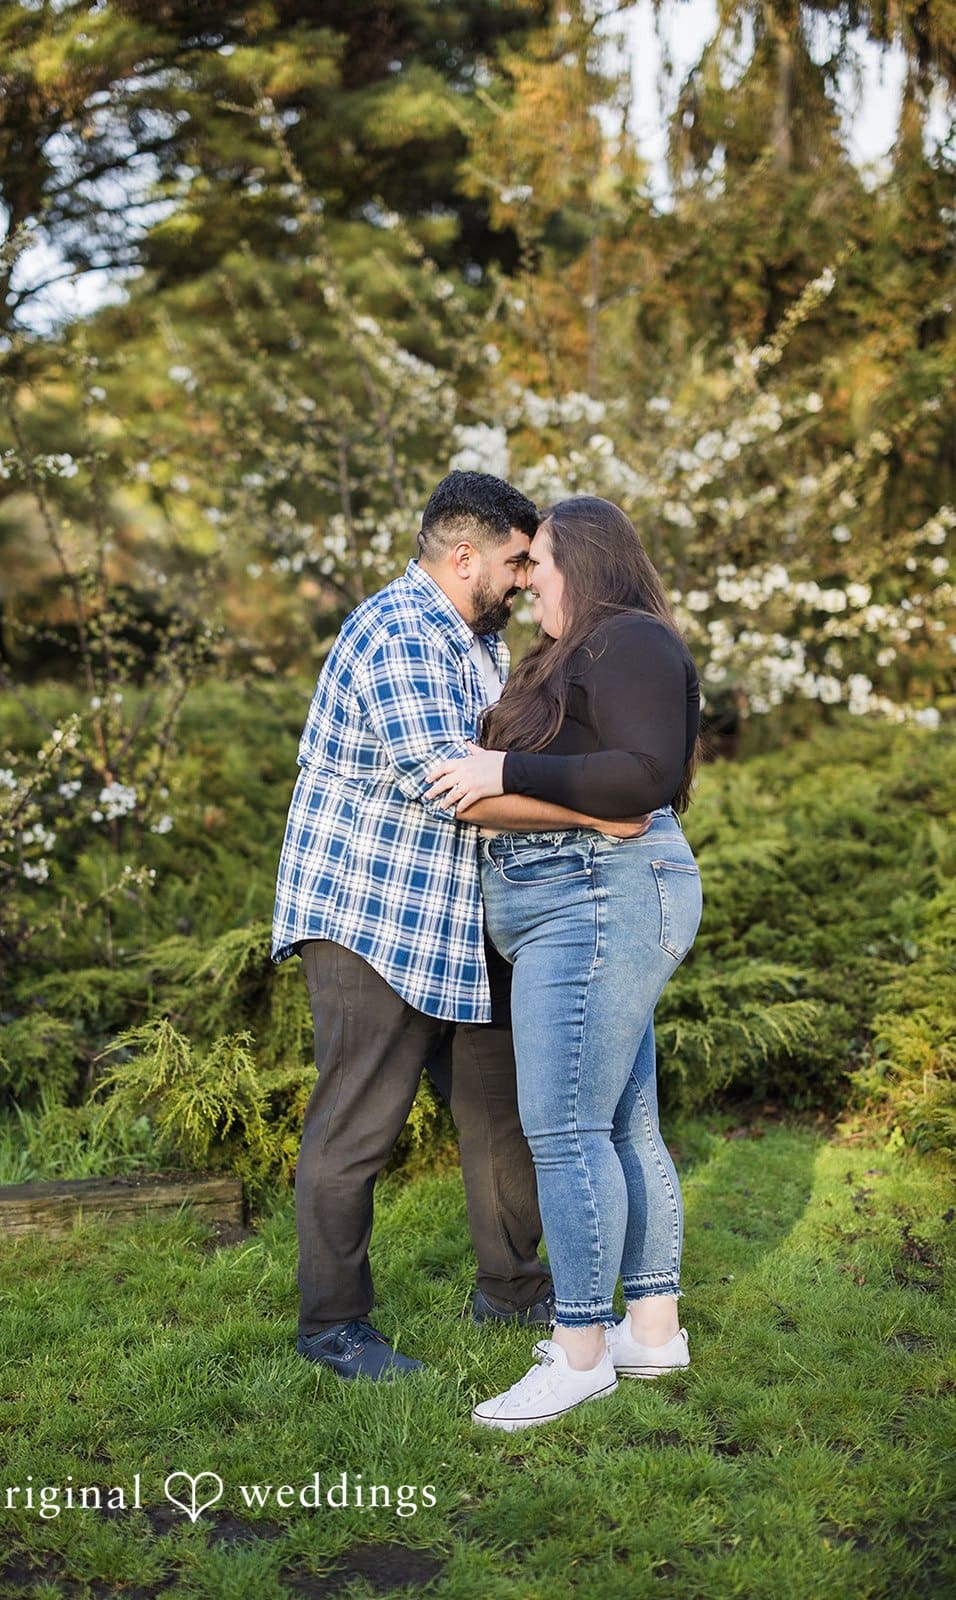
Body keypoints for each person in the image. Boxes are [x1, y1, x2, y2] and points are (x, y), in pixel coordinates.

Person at [271, 472, 647, 1381]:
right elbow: (459, 790)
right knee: (357, 1127)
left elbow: (510, 758)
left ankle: (512, 1289)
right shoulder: (400, 634)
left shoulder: (473, 635)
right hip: (376, 918)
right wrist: (597, 813)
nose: (527, 578)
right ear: (463, 554)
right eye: (519, 560)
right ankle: (333, 1327)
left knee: (500, 1118)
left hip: (465, 922)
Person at [426, 494, 702, 1429]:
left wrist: (504, 773)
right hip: (583, 892)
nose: (526, 577)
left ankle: (580, 1349)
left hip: (599, 897)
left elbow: (642, 777)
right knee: (622, 1118)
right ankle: (651, 1330)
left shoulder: (632, 641)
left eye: (538, 560)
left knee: (565, 1128)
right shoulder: (577, 653)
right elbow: (606, 789)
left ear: (581, 560)